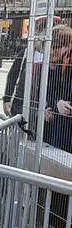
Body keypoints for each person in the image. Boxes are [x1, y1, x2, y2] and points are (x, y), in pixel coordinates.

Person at [45, 25, 72, 153]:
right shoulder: (61, 61)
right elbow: (50, 90)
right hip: (60, 129)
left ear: (66, 45)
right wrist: (56, 103)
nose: (52, 52)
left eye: (56, 48)